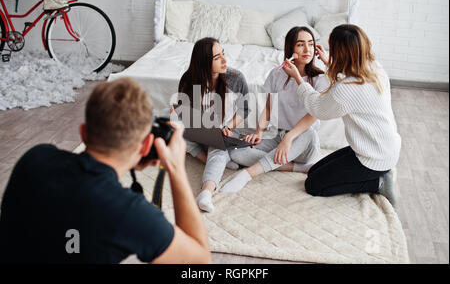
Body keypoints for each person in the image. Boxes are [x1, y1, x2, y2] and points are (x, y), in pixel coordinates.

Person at [0, 78, 211, 263]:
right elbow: (200, 261)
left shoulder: (35, 158)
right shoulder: (129, 212)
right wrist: (175, 168)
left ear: (84, 133)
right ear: (146, 145)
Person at [282, 24, 401, 206]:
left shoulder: (347, 89)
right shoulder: (373, 68)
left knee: (313, 185)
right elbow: (349, 81)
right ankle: (378, 175)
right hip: (379, 147)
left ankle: (378, 182)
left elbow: (318, 108)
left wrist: (298, 79)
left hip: (374, 158)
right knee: (314, 170)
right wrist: (329, 62)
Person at [220, 26, 329, 193]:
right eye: (300, 44)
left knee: (309, 132)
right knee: (236, 153)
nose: (307, 49)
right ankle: (299, 168)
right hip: (278, 136)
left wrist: (289, 139)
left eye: (311, 44)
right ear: (290, 48)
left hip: (304, 142)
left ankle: (247, 175)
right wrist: (259, 132)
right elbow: (269, 107)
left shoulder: (320, 79)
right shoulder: (276, 75)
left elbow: (313, 115)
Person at [172, 37, 250, 213]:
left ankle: (205, 192)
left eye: (223, 53)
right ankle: (208, 160)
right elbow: (184, 111)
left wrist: (229, 127)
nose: (224, 60)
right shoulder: (188, 79)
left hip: (223, 130)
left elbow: (244, 109)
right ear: (204, 63)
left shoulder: (235, 78)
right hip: (198, 129)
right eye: (217, 57)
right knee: (172, 127)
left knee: (219, 145)